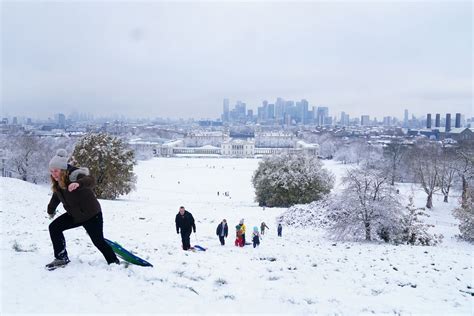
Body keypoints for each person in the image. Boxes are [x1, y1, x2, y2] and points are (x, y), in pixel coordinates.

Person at [45, 149, 119, 269]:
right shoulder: (58, 181)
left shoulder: (75, 175)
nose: (53, 174)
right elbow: (56, 196)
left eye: (56, 171)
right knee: (54, 228)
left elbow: (90, 180)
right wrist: (50, 209)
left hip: (91, 215)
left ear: (63, 170)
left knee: (98, 241)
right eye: (51, 171)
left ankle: (114, 262)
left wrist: (79, 183)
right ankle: (61, 258)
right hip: (74, 216)